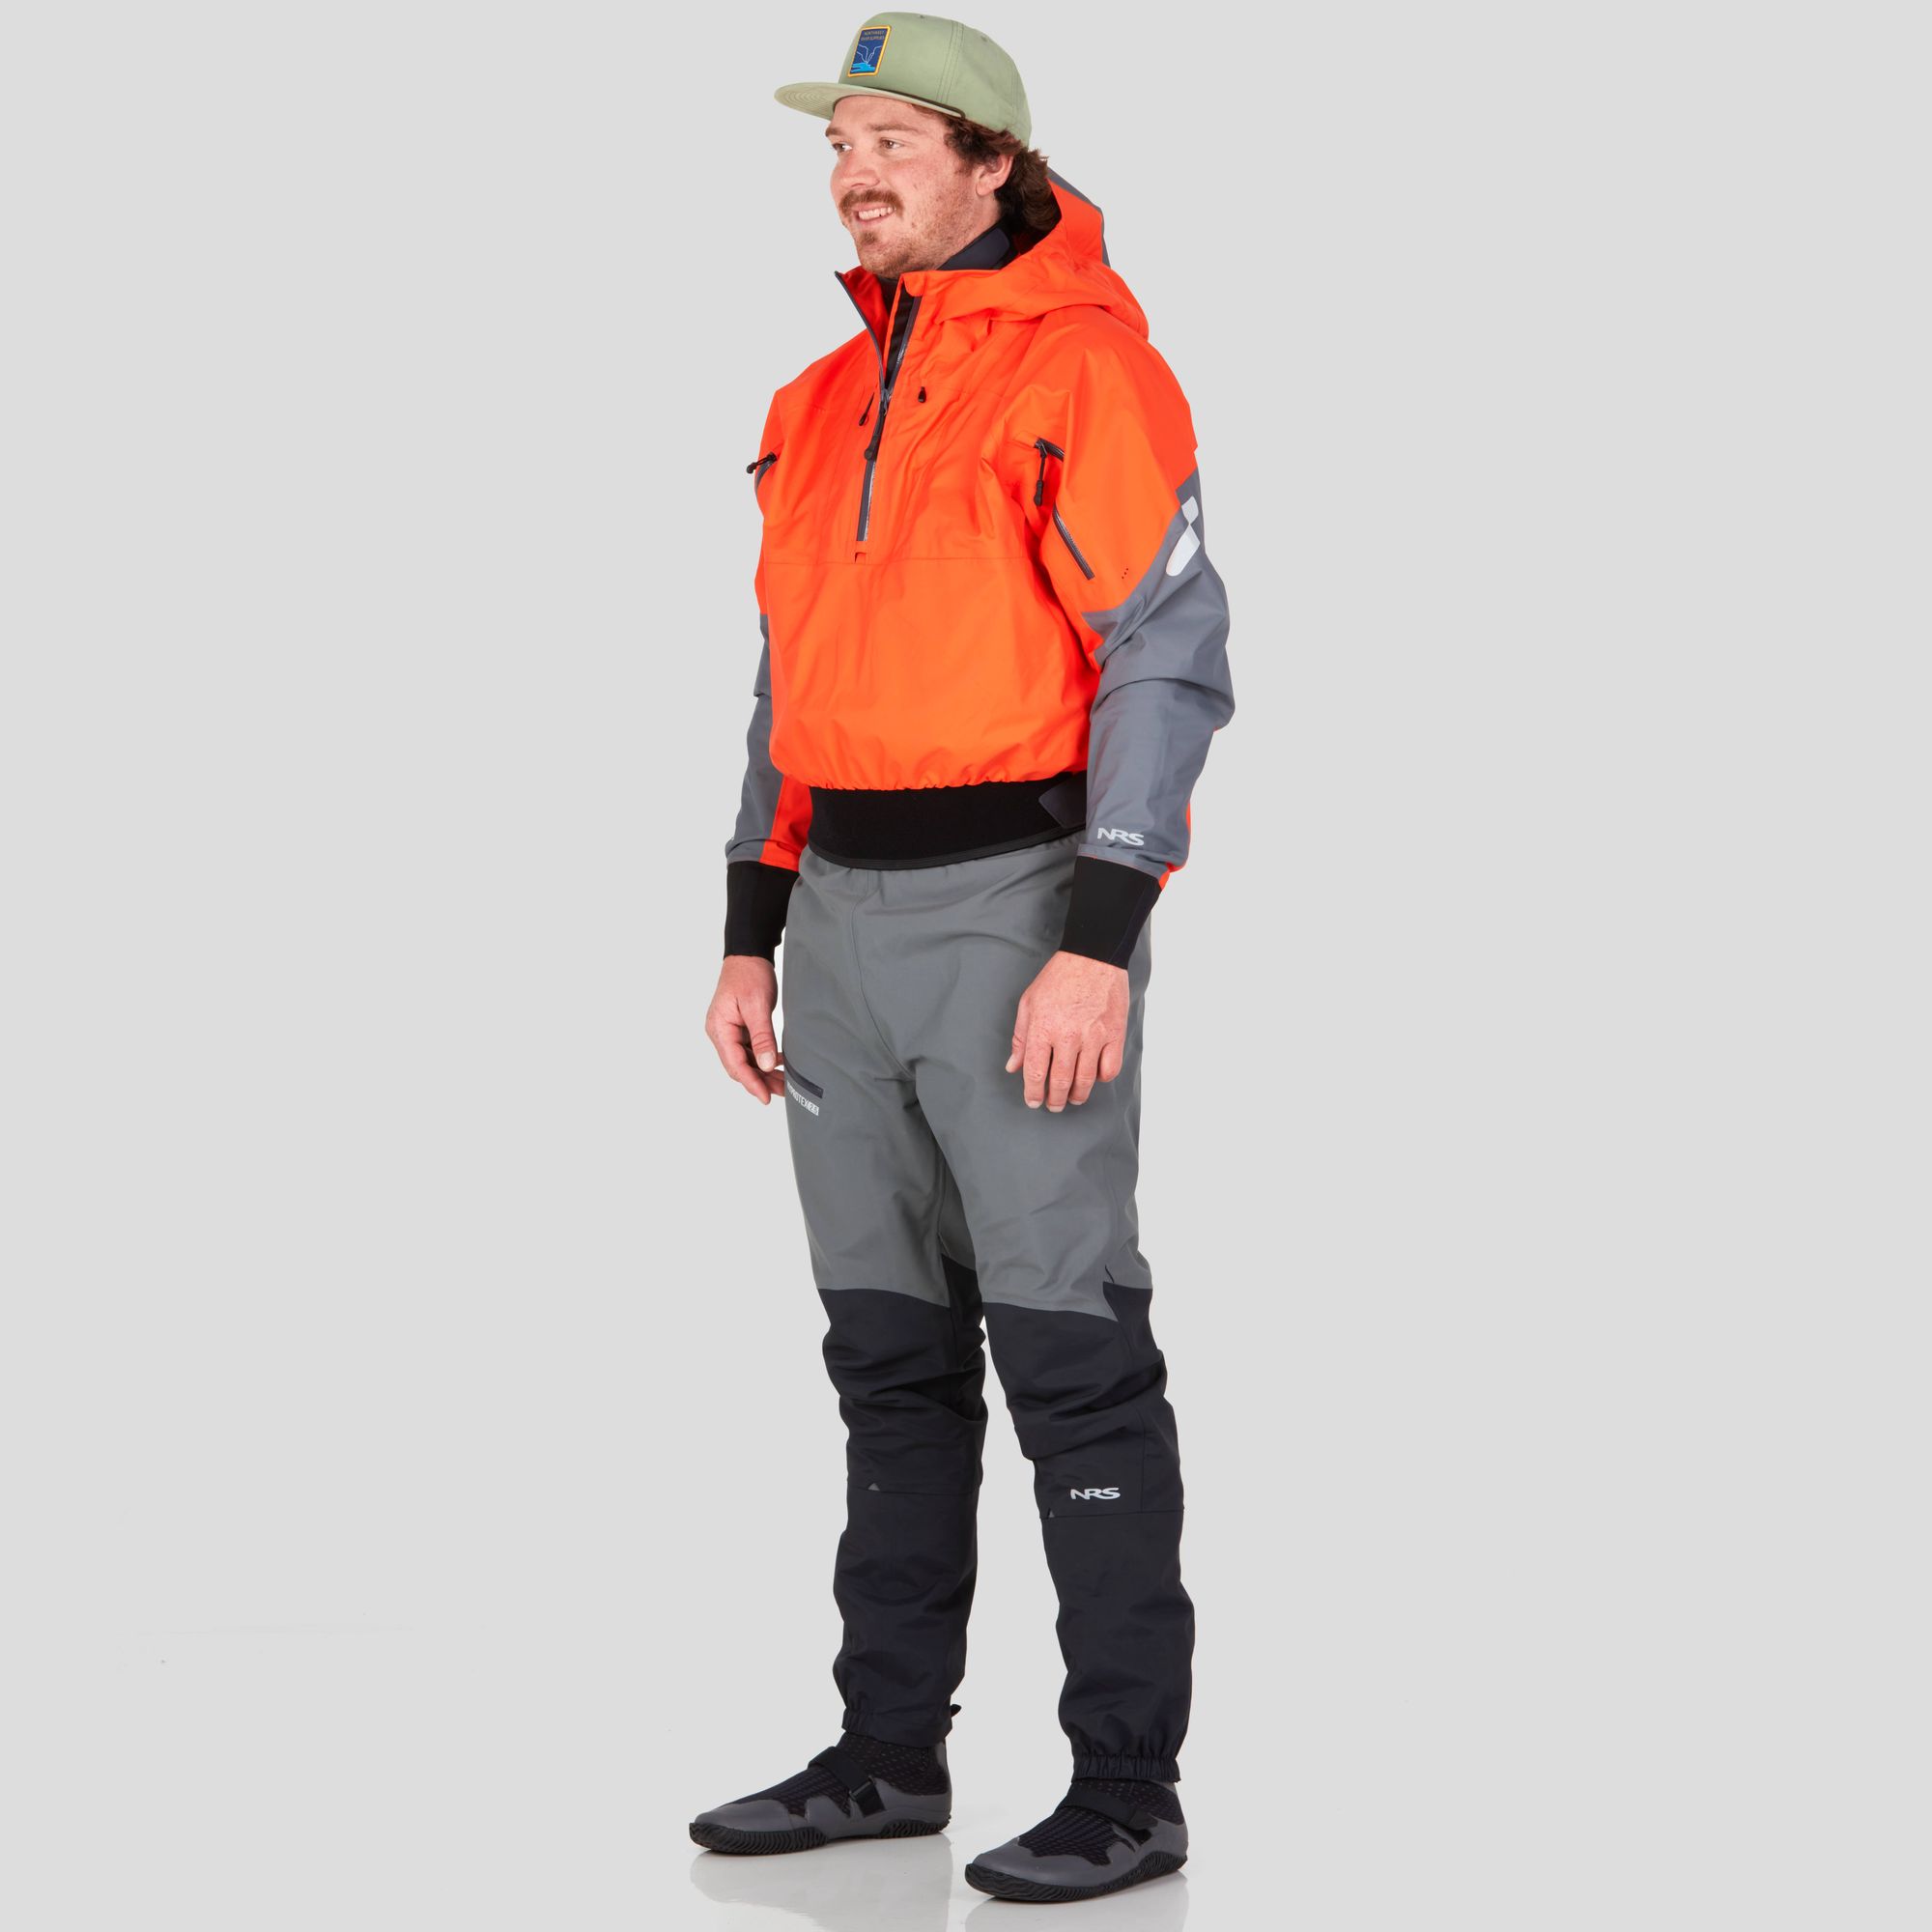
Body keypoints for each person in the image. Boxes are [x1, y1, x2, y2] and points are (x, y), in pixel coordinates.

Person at [694, 13, 1235, 1904]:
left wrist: (1102, 936)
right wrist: (750, 928)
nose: (857, 173)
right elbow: (788, 682)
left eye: (897, 140)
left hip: (1016, 908)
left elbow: (1164, 654)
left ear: (994, 161)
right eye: (841, 143)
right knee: (886, 1353)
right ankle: (884, 1757)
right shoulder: (816, 399)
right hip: (837, 923)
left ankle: (1127, 1788)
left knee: (1068, 1346)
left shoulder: (1090, 369)